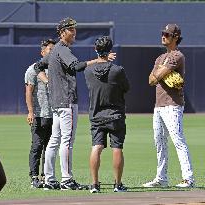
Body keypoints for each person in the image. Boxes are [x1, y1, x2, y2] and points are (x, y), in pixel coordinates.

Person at [34, 17, 116, 190]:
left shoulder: (54, 50)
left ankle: (49, 179)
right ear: (63, 32)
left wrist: (48, 81)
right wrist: (99, 60)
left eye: (74, 29)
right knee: (67, 141)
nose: (74, 32)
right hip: (66, 101)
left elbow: (37, 67)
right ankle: (66, 179)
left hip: (56, 101)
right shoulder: (62, 49)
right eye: (71, 29)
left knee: (55, 140)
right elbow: (77, 66)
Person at [143, 24, 194, 188]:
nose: (163, 36)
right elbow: (151, 80)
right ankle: (161, 178)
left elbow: (157, 76)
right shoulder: (159, 58)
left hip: (173, 105)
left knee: (178, 140)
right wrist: (159, 73)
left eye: (167, 34)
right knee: (159, 142)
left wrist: (159, 73)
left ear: (176, 37)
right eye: (163, 33)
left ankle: (188, 178)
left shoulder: (177, 56)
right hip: (158, 106)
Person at [84, 36, 130, 193]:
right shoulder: (118, 70)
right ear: (110, 51)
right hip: (115, 114)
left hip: (96, 115)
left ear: (96, 50)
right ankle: (118, 184)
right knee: (117, 148)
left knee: (96, 147)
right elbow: (126, 88)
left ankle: (94, 184)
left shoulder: (88, 71)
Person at [25, 39, 56, 188]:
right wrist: (30, 112)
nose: (53, 52)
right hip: (39, 114)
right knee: (37, 146)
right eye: (50, 49)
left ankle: (46, 176)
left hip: (54, 114)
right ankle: (34, 177)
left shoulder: (55, 69)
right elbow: (29, 92)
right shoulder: (33, 69)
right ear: (43, 52)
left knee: (50, 147)